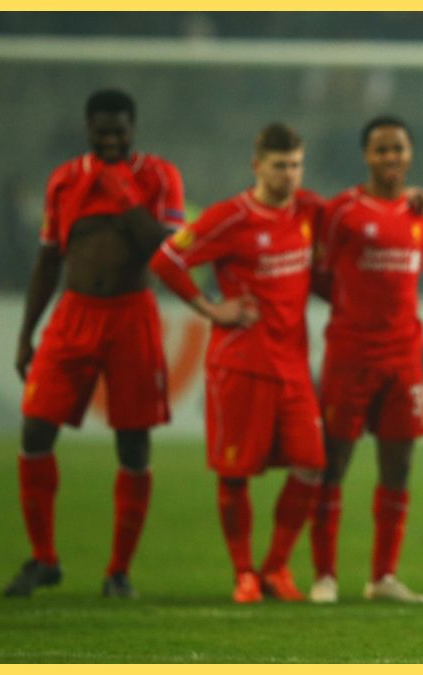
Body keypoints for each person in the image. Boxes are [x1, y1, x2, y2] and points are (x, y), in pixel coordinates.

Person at [7, 88, 185, 599]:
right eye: (101, 131)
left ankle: (118, 572)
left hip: (132, 316)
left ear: (134, 129)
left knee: (132, 442)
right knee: (36, 430)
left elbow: (166, 250)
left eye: (119, 131)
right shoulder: (64, 180)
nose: (110, 140)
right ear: (88, 129)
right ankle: (44, 559)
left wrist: (123, 192)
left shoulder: (159, 176)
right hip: (73, 315)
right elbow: (47, 261)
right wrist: (26, 333)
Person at [149, 123, 324, 603]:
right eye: (279, 166)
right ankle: (243, 572)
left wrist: (414, 197)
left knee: (311, 465)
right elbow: (166, 259)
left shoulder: (308, 210)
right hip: (242, 364)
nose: (288, 175)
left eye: (295, 165)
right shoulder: (231, 216)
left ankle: (275, 568)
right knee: (235, 473)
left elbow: (354, 209)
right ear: (257, 166)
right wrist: (211, 309)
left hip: (291, 364)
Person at [307, 116, 423, 605]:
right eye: (381, 150)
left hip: (403, 356)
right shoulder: (341, 212)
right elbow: (317, 274)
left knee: (398, 465)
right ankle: (324, 575)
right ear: (367, 156)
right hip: (350, 354)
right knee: (333, 463)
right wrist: (350, 310)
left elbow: (409, 274)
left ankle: (383, 576)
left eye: (398, 149)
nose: (391, 158)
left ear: (409, 155)